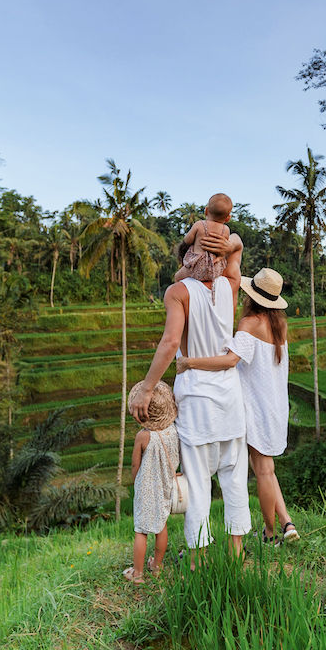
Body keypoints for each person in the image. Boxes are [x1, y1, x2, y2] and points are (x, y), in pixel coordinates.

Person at [130, 224, 248, 558]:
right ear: (222, 257)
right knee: (234, 478)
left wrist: (146, 389)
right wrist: (227, 241)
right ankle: (236, 555)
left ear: (188, 257)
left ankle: (197, 560)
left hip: (196, 399)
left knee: (198, 483)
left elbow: (170, 343)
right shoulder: (231, 284)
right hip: (230, 398)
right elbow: (237, 247)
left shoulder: (177, 292)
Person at [178, 268, 298, 544]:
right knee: (266, 469)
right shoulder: (279, 324)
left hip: (255, 407)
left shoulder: (250, 323)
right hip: (276, 404)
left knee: (263, 471)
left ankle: (269, 535)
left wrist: (189, 362)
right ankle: (286, 523)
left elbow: (231, 361)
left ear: (251, 295)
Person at [123, 380, 180, 584]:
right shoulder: (173, 431)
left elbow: (134, 465)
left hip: (146, 486)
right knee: (161, 524)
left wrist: (136, 483)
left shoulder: (143, 436)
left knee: (141, 530)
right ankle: (157, 565)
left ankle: (137, 573)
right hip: (166, 484)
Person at [173, 193, 243, 291]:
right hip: (216, 269)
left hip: (197, 267)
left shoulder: (199, 225)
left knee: (177, 277)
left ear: (206, 211)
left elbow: (187, 241)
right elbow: (223, 248)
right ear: (228, 218)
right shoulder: (226, 230)